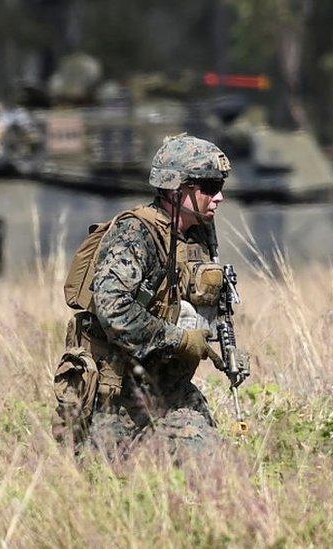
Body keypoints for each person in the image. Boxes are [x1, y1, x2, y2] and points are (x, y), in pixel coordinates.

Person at [54, 133, 232, 456]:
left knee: (214, 465)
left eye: (220, 186)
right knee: (108, 482)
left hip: (166, 388)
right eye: (209, 187)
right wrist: (179, 340)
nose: (219, 197)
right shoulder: (136, 235)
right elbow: (113, 309)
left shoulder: (196, 236)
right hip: (115, 397)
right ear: (178, 189)